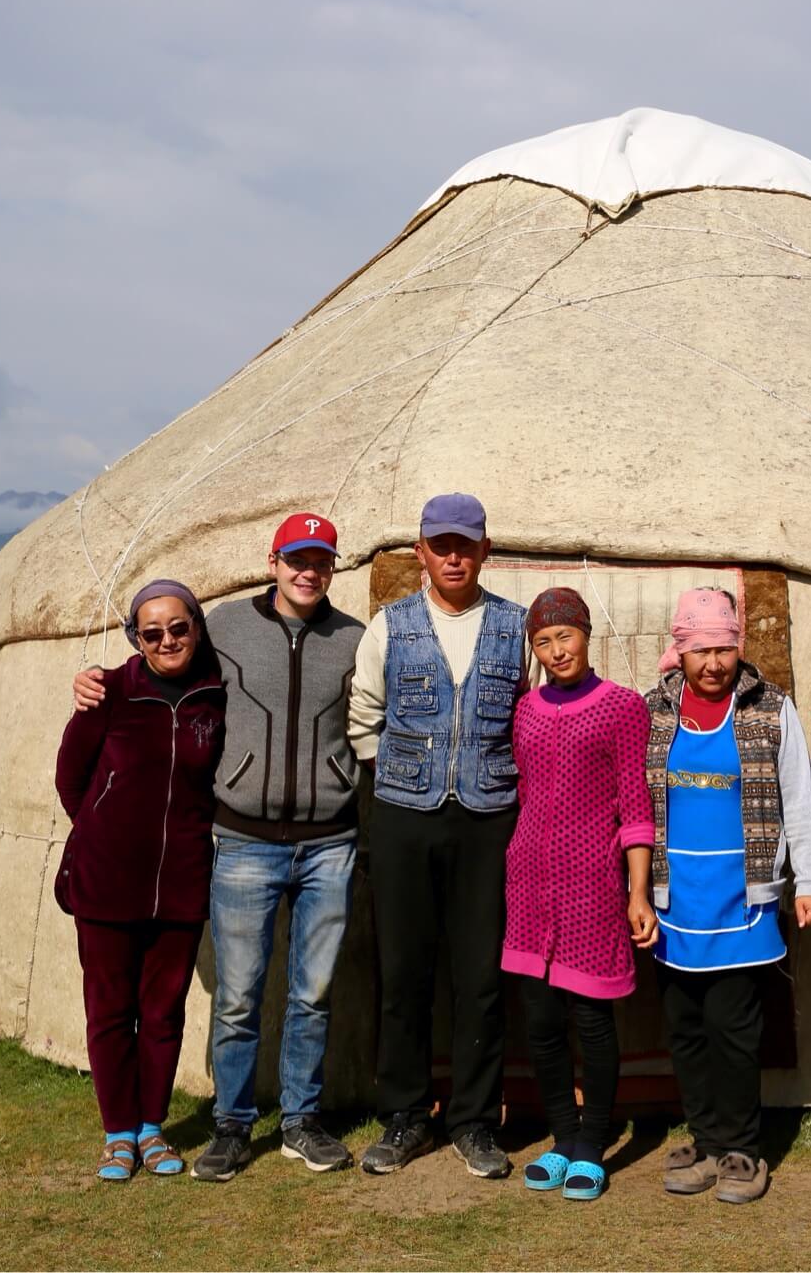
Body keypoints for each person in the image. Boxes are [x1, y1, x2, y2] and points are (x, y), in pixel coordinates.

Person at [72, 514, 366, 1182]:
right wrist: (96, 678)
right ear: (273, 561)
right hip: (244, 839)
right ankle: (232, 1127)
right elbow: (159, 658)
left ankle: (301, 1121)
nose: (307, 571)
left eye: (320, 560)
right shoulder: (225, 626)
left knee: (313, 993)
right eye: (296, 558)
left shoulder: (354, 637)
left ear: (332, 567)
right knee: (237, 995)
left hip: (329, 840)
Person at [349, 493, 529, 1180]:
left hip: (489, 819)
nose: (453, 556)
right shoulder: (389, 627)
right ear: (419, 552)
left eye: (466, 544)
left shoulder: (517, 628)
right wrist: (395, 779)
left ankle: (476, 1121)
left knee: (480, 974)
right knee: (405, 971)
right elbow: (364, 714)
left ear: (485, 550)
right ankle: (403, 1114)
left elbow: (531, 717)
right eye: (440, 545)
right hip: (403, 814)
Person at [643, 587, 811, 1205]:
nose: (713, 663)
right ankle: (706, 1138)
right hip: (675, 901)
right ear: (681, 650)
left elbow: (798, 800)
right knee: (687, 1027)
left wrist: (809, 881)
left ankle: (742, 1148)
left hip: (742, 899)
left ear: (737, 647)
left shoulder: (770, 710)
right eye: (700, 650)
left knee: (732, 1028)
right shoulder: (655, 712)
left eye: (723, 648)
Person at [54, 579, 225, 1181]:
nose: (167, 639)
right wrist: (105, 834)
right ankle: (118, 1134)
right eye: (152, 632)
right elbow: (71, 779)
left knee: (162, 1010)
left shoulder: (216, 690)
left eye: (178, 627)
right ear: (136, 638)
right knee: (108, 1009)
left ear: (197, 628)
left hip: (181, 880)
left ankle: (154, 1129)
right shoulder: (109, 692)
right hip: (106, 882)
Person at [501, 587, 656, 1201]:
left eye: (565, 636)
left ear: (586, 635)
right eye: (543, 641)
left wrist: (636, 891)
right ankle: (562, 1138)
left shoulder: (621, 707)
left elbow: (635, 804)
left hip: (593, 881)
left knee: (591, 1017)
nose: (556, 650)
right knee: (539, 1020)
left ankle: (593, 1143)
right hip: (529, 882)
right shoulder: (526, 710)